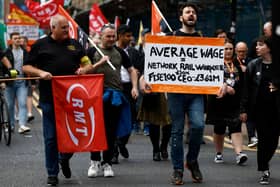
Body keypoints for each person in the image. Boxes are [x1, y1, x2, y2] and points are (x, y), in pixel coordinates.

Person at [23, 14, 93, 186]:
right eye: (63, 28)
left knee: (76, 134)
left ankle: (64, 158)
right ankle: (52, 173)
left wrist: (84, 70)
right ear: (52, 28)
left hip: (73, 99)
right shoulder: (41, 45)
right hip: (49, 99)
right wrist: (40, 73)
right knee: (51, 138)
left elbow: (88, 63)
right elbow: (26, 66)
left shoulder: (74, 44)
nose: (67, 31)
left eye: (68, 28)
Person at [86, 23, 138, 178]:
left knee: (111, 131)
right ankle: (94, 161)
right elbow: (83, 71)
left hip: (115, 96)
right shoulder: (92, 51)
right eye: (107, 36)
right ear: (101, 36)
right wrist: (99, 63)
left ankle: (106, 162)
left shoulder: (120, 52)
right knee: (96, 130)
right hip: (95, 95)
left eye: (113, 36)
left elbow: (131, 70)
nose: (110, 39)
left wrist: (134, 87)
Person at [166, 3, 204, 184]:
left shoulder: (204, 39)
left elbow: (211, 66)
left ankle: (192, 160)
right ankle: (178, 169)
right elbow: (157, 63)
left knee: (198, 126)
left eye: (193, 12)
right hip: (176, 93)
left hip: (196, 93)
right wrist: (146, 79)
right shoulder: (170, 37)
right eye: (187, 12)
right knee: (177, 131)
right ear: (181, 17)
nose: (191, 14)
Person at [240, 36, 278, 185]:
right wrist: (243, 109)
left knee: (273, 141)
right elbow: (246, 90)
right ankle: (264, 169)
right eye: (256, 45)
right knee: (263, 140)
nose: (257, 48)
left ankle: (265, 161)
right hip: (259, 109)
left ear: (268, 47)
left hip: (276, 110)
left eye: (260, 45)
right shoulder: (253, 65)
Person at [206, 40, 248, 165]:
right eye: (225, 49)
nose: (228, 51)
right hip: (218, 102)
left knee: (236, 126)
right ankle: (219, 154)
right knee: (219, 129)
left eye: (230, 49)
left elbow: (242, 84)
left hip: (234, 102)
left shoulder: (238, 64)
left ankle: (239, 154)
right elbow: (208, 80)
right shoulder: (213, 63)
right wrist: (223, 86)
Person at [111, 24, 141, 164]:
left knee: (130, 119)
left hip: (130, 88)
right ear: (120, 36)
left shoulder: (134, 52)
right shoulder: (111, 51)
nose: (130, 39)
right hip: (116, 87)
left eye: (131, 36)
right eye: (127, 36)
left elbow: (137, 68)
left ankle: (122, 142)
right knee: (116, 118)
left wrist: (137, 82)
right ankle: (115, 150)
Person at [1, 32, 30, 134]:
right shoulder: (6, 52)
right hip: (10, 83)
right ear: (11, 40)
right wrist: (3, 81)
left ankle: (22, 125)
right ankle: (11, 125)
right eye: (15, 38)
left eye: (19, 38)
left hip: (22, 82)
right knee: (10, 105)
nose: (18, 40)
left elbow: (30, 66)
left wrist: (33, 81)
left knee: (22, 103)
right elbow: (3, 67)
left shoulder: (25, 52)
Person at [234, 41, 258, 148]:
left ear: (247, 51)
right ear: (236, 51)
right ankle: (235, 134)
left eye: (243, 51)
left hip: (248, 92)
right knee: (237, 116)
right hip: (236, 92)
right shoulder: (233, 62)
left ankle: (251, 136)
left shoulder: (251, 62)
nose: (241, 53)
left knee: (249, 115)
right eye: (239, 51)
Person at [20, 36, 35, 123]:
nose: (22, 43)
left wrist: (33, 81)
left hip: (28, 77)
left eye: (23, 41)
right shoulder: (16, 51)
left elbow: (32, 66)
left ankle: (29, 113)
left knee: (29, 95)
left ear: (26, 42)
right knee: (19, 98)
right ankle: (20, 114)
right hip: (19, 78)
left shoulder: (30, 51)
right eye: (20, 41)